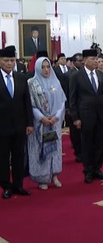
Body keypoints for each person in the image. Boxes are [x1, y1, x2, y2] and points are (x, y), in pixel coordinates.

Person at [69, 49, 103, 184]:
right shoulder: (76, 76)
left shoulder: (101, 75)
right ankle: (88, 171)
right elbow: (73, 99)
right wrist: (75, 118)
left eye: (96, 59)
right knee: (87, 144)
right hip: (85, 116)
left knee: (99, 142)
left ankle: (98, 168)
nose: (95, 61)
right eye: (92, 59)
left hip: (100, 115)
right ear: (85, 60)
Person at [0, 46, 34, 199]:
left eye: (12, 60)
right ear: (0, 61)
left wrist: (29, 123)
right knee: (3, 157)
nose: (9, 63)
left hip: (20, 126)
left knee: (19, 156)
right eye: (6, 60)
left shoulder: (21, 78)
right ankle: (6, 186)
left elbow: (27, 102)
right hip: (2, 127)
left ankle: (18, 185)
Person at [27, 57, 65, 190]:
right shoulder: (32, 83)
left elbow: (62, 102)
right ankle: (42, 178)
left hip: (54, 122)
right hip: (40, 124)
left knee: (55, 149)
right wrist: (42, 118)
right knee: (40, 150)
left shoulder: (56, 81)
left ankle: (54, 175)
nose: (46, 70)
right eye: (43, 67)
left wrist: (57, 116)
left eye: (48, 66)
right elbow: (30, 104)